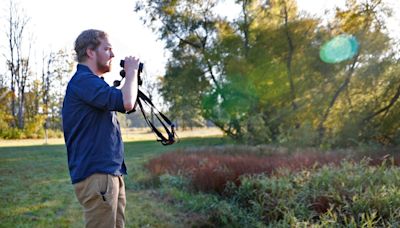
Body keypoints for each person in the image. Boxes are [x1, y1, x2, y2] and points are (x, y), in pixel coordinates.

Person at [62, 29, 139, 228]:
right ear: (90, 52)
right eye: (107, 49)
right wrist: (131, 72)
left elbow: (124, 99)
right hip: (98, 175)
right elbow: (127, 102)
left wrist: (132, 79)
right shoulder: (84, 82)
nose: (113, 55)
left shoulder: (92, 84)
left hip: (109, 172)